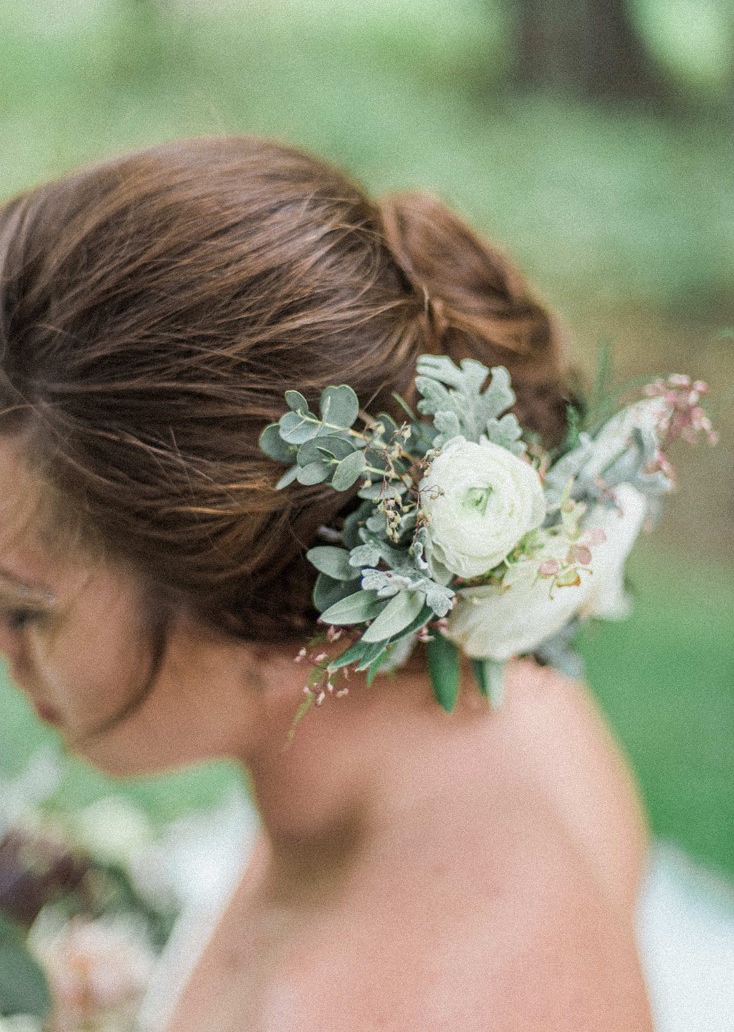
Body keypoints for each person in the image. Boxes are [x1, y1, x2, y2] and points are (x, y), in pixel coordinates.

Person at [0, 136, 655, 1029]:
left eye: (22, 607)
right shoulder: (510, 712)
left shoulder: (396, 1000)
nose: (6, 649)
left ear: (270, 615)